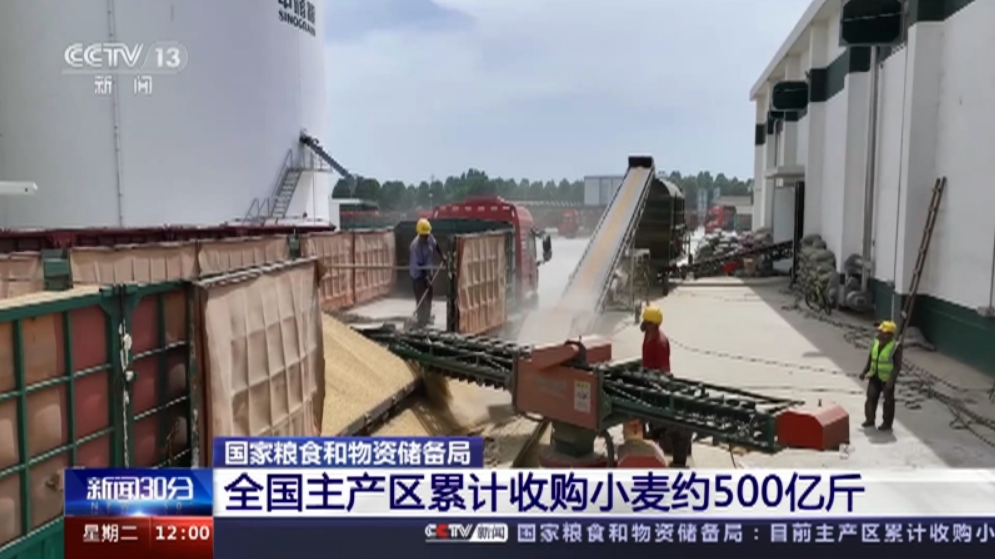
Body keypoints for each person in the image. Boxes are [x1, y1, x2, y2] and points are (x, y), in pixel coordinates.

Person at [640, 305, 692, 467]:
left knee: (658, 419)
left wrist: (654, 386)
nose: (643, 325)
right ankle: (651, 442)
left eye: (647, 322)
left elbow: (663, 372)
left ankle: (660, 444)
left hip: (657, 385)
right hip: (648, 381)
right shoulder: (648, 335)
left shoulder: (660, 343)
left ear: (654, 325)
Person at [860, 320, 903, 431]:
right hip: (874, 375)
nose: (880, 334)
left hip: (886, 379)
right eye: (880, 332)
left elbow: (897, 366)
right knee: (871, 397)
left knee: (888, 401)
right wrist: (864, 371)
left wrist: (891, 381)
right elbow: (871, 358)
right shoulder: (875, 342)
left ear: (890, 335)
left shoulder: (895, 347)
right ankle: (870, 419)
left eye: (883, 332)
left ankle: (887, 423)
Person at [409, 218, 446, 328]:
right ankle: (421, 320)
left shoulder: (429, 238)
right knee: (421, 297)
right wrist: (426, 279)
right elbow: (420, 265)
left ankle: (427, 317)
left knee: (429, 295)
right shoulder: (415, 246)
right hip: (418, 275)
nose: (426, 237)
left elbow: (436, 245)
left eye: (427, 235)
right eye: (424, 236)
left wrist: (442, 255)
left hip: (428, 271)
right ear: (419, 234)